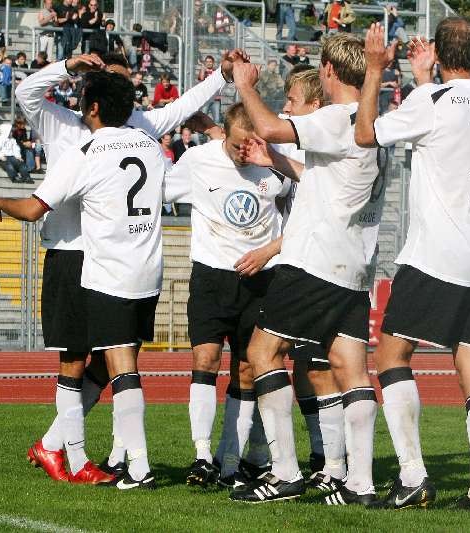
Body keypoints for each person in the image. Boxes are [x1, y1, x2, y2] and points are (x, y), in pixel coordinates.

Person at [13, 50, 242, 483]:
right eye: (109, 78)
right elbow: (26, 91)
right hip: (72, 251)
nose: (121, 87)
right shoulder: (60, 121)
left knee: (116, 360)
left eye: (124, 81)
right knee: (77, 360)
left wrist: (221, 76)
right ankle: (73, 455)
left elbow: (182, 107)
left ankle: (79, 448)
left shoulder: (135, 125)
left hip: (117, 258)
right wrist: (67, 66)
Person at [0, 71, 187, 488]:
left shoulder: (85, 152)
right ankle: (69, 452)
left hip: (98, 268)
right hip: (146, 270)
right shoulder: (149, 144)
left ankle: (97, 461)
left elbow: (33, 208)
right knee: (103, 362)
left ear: (93, 107)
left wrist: (0, 200)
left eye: (82, 97)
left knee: (94, 364)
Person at [355, 18, 470, 513]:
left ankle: (413, 475)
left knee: (391, 356)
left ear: (440, 54)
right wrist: (427, 78)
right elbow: (450, 120)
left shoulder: (432, 101)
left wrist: (375, 70)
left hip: (437, 253)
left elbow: (365, 133)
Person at [231, 32, 384, 506]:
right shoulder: (372, 124)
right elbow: (331, 182)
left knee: (262, 353)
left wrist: (245, 86)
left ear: (329, 71)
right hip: (354, 265)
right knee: (350, 369)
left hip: (315, 261)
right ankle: (360, 483)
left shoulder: (337, 116)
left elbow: (270, 126)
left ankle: (285, 473)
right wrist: (275, 161)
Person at [237, 65, 345, 491]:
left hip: (315, 269)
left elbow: (316, 216)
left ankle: (302, 469)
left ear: (316, 106)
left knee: (296, 362)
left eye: (293, 101)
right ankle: (330, 464)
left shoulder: (328, 147)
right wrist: (273, 160)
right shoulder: (320, 152)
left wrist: (268, 250)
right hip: (321, 268)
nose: (286, 107)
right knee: (313, 368)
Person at [176, 103, 289, 489]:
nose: (245, 151)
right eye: (239, 143)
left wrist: (269, 252)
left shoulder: (275, 163)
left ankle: (229, 464)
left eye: (251, 143)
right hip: (211, 276)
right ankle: (201, 456)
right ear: (223, 134)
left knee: (245, 369)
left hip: (260, 279)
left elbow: (303, 212)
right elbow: (160, 189)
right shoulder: (198, 160)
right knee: (205, 359)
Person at [197, 56, 221, 123]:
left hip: (216, 99)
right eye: (207, 62)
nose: (208, 63)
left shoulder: (216, 71)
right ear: (205, 63)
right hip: (206, 99)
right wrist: (202, 66)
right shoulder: (203, 71)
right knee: (203, 118)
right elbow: (201, 78)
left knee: (217, 119)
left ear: (213, 63)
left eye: (210, 61)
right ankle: (202, 130)